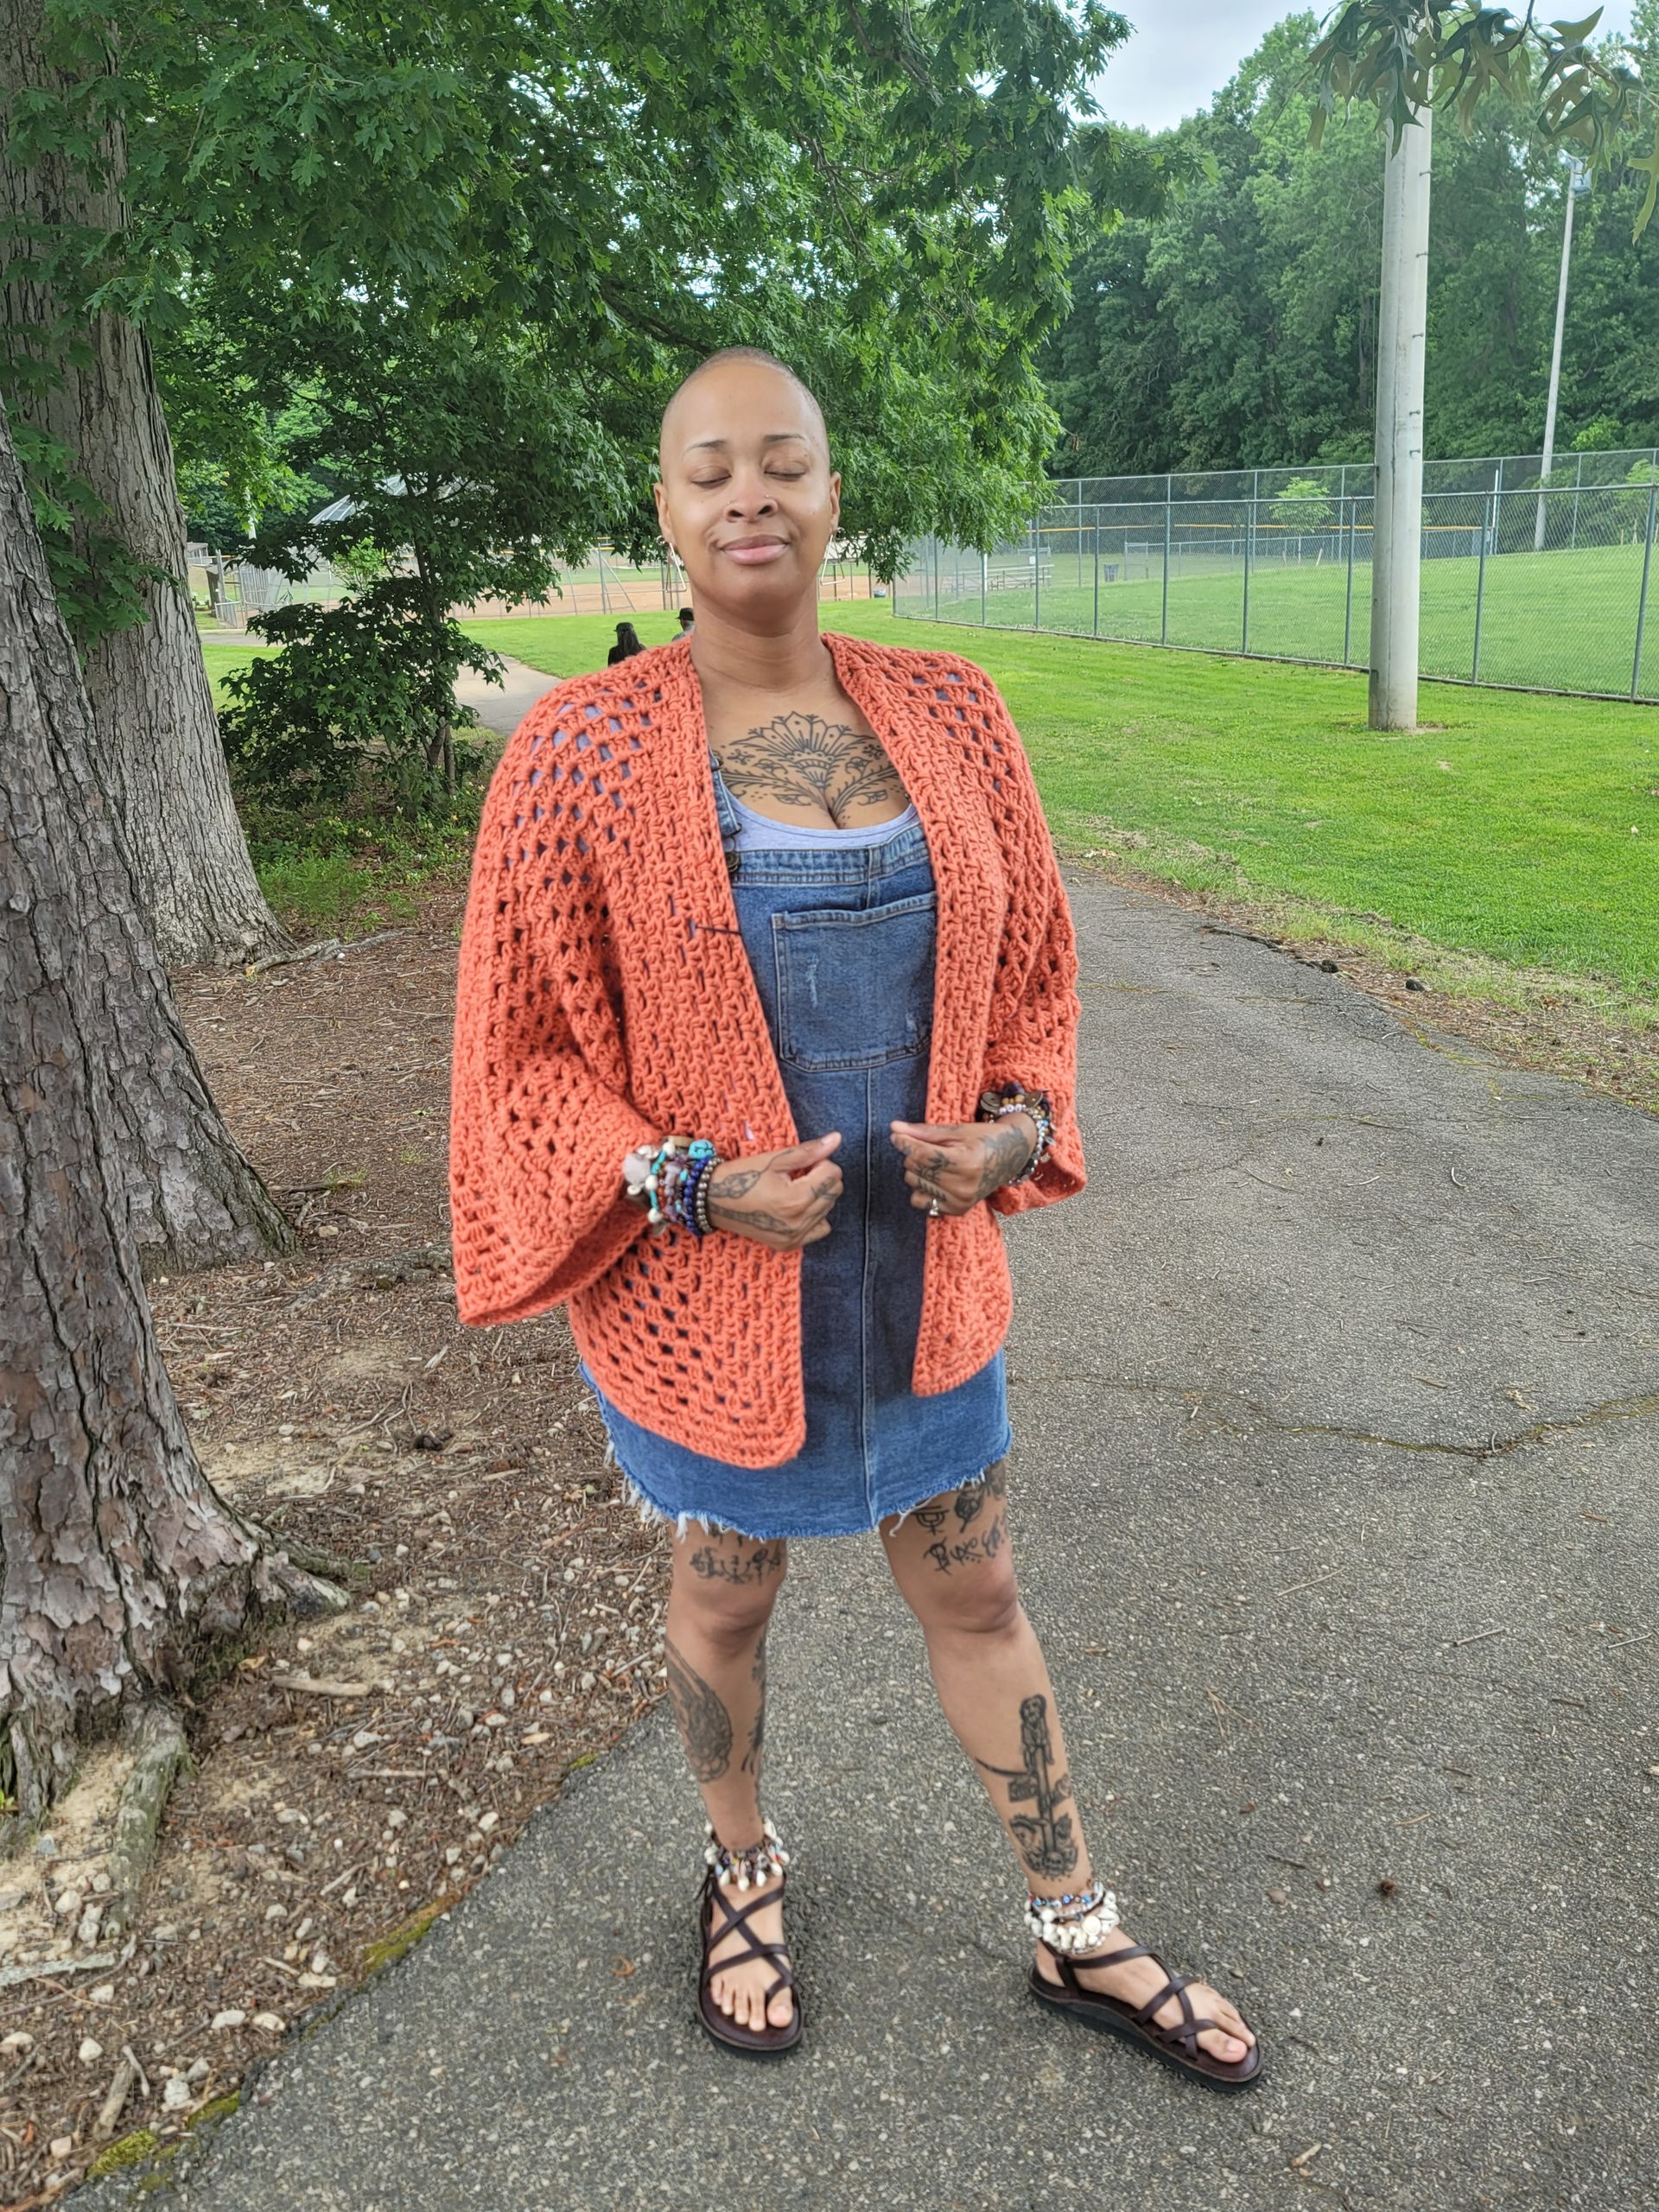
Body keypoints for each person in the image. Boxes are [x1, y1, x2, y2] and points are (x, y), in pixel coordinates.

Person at [449, 347, 1262, 2086]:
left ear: (834, 498)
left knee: (980, 1594)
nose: (749, 493)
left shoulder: (956, 710)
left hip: (926, 1291)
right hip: (715, 1302)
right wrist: (684, 1181)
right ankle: (743, 1869)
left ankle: (1078, 1926)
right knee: (725, 1601)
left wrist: (1016, 1127)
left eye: (784, 462)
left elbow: (1035, 964)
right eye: (708, 468)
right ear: (662, 514)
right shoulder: (582, 755)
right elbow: (516, 1060)